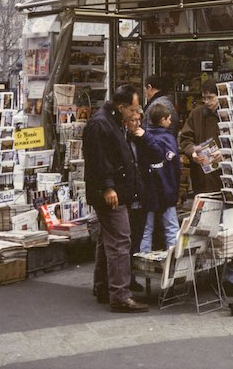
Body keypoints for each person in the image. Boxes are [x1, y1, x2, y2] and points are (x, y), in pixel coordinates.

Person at [83, 84, 148, 313]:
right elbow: (98, 160)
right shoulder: (101, 124)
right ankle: (120, 295)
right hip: (111, 193)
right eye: (133, 109)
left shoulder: (112, 122)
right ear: (121, 107)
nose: (136, 113)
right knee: (120, 240)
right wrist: (108, 187)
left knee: (107, 239)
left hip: (117, 190)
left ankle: (103, 287)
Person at [133, 103, 181, 252]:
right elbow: (174, 166)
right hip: (166, 188)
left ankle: (143, 261)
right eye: (168, 119)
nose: (171, 122)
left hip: (148, 188)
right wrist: (176, 190)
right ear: (162, 120)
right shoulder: (167, 138)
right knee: (171, 227)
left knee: (147, 229)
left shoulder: (142, 136)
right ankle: (173, 264)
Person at [178, 78, 223, 195]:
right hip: (200, 175)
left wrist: (225, 153)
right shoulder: (196, 114)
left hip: (223, 175)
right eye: (204, 98)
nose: (207, 102)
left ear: (219, 96)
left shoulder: (228, 114)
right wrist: (193, 153)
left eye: (210, 97)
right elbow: (185, 139)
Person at [123, 107, 147, 293]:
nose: (137, 124)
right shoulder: (122, 140)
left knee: (136, 238)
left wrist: (145, 138)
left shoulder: (141, 139)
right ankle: (125, 278)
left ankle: (131, 277)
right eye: (134, 120)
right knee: (126, 239)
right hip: (128, 195)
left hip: (141, 193)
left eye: (139, 120)